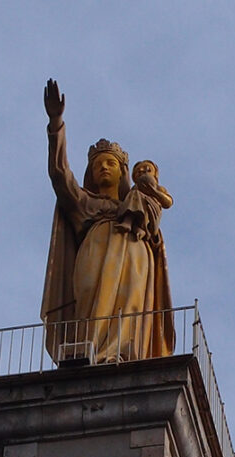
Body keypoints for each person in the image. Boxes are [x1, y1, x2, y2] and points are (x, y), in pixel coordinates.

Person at [40, 79, 174, 363]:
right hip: (95, 253)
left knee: (132, 304)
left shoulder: (135, 203)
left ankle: (125, 355)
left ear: (122, 171)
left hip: (135, 255)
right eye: (98, 164)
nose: (103, 167)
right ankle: (91, 352)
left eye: (110, 163)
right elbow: (59, 174)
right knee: (91, 304)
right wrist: (56, 124)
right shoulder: (84, 203)